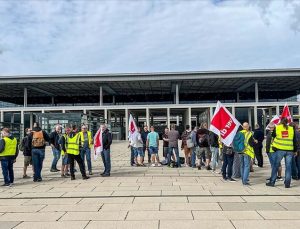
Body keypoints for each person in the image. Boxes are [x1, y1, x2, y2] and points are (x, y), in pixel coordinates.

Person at [266, 118, 296, 188]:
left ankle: (272, 182)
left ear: (280, 121)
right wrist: (295, 150)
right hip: (289, 150)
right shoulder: (291, 129)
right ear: (287, 122)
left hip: (280, 150)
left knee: (275, 166)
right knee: (288, 167)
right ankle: (287, 184)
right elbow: (294, 140)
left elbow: (273, 136)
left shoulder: (278, 128)